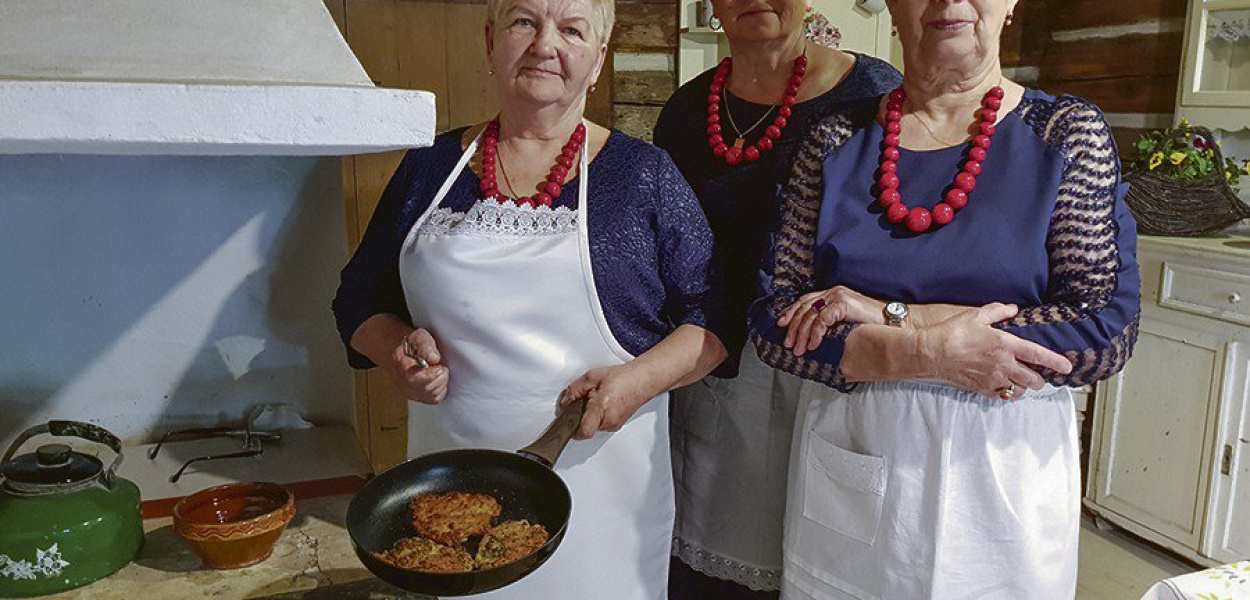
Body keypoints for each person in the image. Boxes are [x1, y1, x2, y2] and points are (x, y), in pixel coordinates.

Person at [330, 0, 727, 596]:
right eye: (524, 22)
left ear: (597, 61)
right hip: (447, 490)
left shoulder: (644, 176)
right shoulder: (429, 167)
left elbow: (716, 320)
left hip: (603, 494)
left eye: (572, 30)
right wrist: (395, 352)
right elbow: (358, 300)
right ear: (491, 43)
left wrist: (638, 380)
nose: (545, 44)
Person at [747, 0, 1141, 598]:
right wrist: (928, 354)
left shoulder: (1064, 133)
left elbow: (1102, 330)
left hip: (1004, 460)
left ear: (1010, 6)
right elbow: (777, 320)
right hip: (856, 445)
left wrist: (891, 316)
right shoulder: (835, 137)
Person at [651, 1, 899, 598]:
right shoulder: (687, 111)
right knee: (719, 564)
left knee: (830, 558)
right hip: (720, 373)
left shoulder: (875, 94)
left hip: (836, 369)